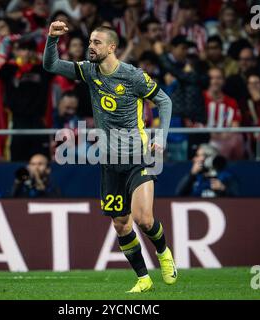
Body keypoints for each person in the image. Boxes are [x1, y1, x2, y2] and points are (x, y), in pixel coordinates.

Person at [43, 21, 175, 293]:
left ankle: (163, 253)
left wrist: (160, 136)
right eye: (90, 42)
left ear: (112, 47)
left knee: (144, 219)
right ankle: (142, 279)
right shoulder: (89, 71)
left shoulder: (133, 75)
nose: (91, 46)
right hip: (110, 162)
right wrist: (52, 40)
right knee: (121, 223)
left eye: (97, 42)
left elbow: (164, 101)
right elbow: (52, 66)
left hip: (139, 156)